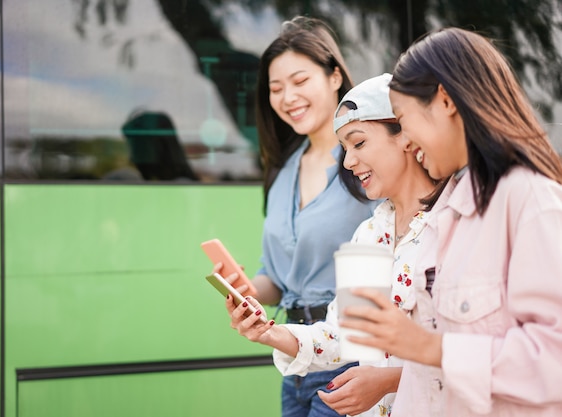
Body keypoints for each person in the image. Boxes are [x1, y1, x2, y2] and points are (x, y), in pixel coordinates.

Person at [338, 27, 562, 416]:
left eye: (404, 120)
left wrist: (428, 348)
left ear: (444, 101)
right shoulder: (449, 211)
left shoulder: (530, 199)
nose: (405, 141)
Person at [225, 73, 437, 417]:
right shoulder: (369, 234)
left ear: (405, 135)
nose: (348, 163)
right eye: (345, 149)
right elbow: (343, 335)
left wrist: (387, 382)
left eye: (359, 143)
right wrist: (270, 333)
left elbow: (479, 356)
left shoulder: (455, 225)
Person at [214, 16, 377, 417]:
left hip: (353, 357)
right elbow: (279, 278)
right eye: (276, 88)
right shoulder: (282, 171)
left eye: (300, 81)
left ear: (335, 76)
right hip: (296, 360)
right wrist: (248, 290)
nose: (288, 96)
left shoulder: (367, 160)